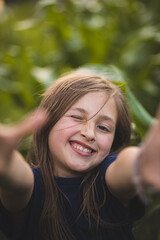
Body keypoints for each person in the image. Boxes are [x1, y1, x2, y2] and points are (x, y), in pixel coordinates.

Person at [0, 71, 159, 240]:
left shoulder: (108, 181)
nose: (89, 133)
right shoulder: (30, 187)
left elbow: (125, 166)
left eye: (103, 128)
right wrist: (5, 160)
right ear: (48, 123)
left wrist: (141, 163)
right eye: (76, 117)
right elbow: (14, 174)